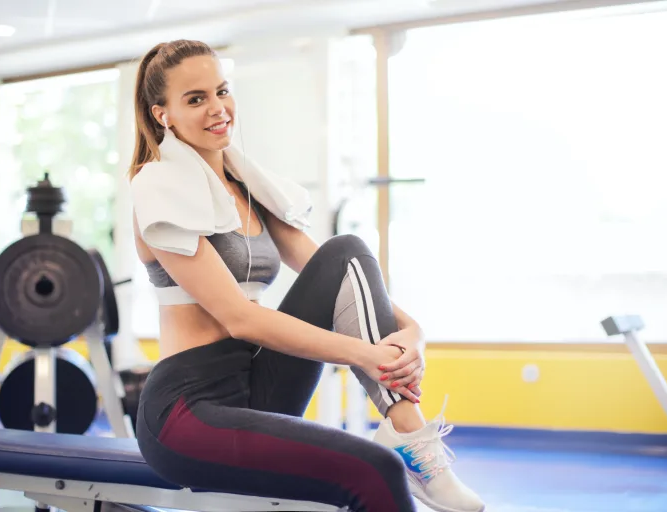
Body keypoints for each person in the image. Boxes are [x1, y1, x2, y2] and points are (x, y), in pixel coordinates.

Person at [127, 39, 485, 512]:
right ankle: (404, 447)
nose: (218, 109)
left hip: (260, 381)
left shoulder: (249, 189)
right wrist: (368, 355)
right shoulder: (157, 187)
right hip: (189, 408)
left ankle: (409, 433)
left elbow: (342, 274)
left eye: (222, 91)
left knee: (347, 249)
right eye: (196, 99)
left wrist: (411, 331)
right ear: (162, 115)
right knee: (374, 470)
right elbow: (242, 320)